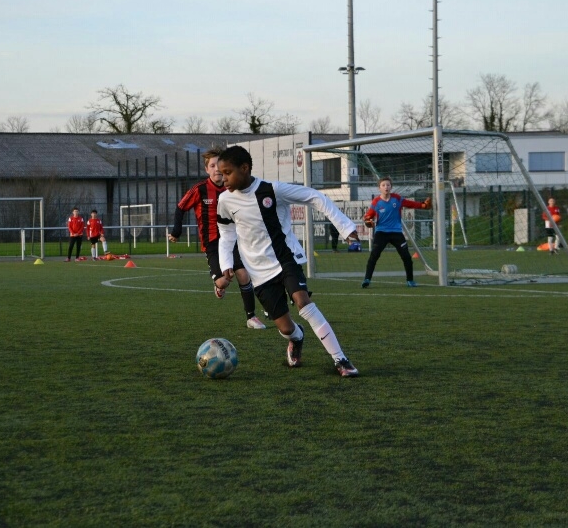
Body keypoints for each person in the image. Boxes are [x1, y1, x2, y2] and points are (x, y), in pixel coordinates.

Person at [216, 145, 360, 377]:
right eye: (221, 173)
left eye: (227, 172)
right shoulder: (225, 200)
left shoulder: (272, 190)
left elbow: (314, 196)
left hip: (285, 259)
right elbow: (226, 234)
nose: (223, 179)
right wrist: (226, 265)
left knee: (303, 302)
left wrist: (345, 227)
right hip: (258, 272)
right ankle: (297, 337)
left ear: (244, 168)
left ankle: (340, 359)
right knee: (285, 327)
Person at [168, 147, 266, 330]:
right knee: (223, 281)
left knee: (243, 274)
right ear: (207, 169)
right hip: (212, 243)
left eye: (219, 165)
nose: (216, 169)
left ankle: (251, 317)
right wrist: (176, 231)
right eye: (212, 166)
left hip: (233, 240)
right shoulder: (200, 189)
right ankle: (219, 285)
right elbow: (180, 207)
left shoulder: (233, 188)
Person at [361, 177, 430, 289]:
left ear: (391, 187)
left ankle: (410, 280)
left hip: (396, 232)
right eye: (383, 185)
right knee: (374, 255)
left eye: (388, 185)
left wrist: (423, 205)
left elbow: (409, 203)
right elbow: (368, 216)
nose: (386, 187)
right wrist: (367, 221)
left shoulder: (396, 198)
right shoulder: (376, 202)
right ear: (379, 188)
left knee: (406, 256)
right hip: (381, 232)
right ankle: (367, 279)